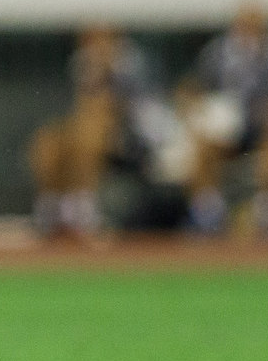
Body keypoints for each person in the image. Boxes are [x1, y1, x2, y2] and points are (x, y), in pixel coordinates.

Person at [28, 26, 184, 237]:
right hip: (93, 132)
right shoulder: (84, 62)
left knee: (91, 135)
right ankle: (50, 209)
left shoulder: (132, 63)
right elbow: (84, 106)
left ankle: (85, 210)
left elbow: (134, 109)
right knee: (48, 142)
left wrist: (109, 71)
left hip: (135, 138)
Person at [179, 5, 268, 234]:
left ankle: (265, 210)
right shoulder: (218, 53)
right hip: (225, 127)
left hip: (260, 126)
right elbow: (197, 87)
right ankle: (208, 211)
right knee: (202, 144)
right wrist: (195, 106)